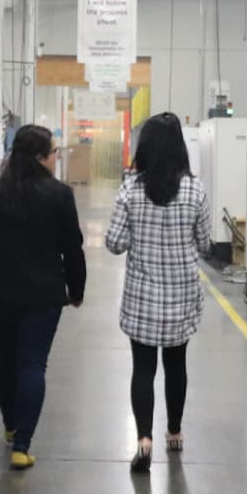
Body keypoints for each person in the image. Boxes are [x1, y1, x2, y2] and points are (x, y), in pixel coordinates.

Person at [0, 124, 87, 471]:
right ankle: (22, 446)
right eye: (55, 152)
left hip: (1, 293)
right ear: (42, 157)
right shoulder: (60, 195)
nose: (57, 157)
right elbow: (73, 249)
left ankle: (11, 425)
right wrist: (76, 291)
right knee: (33, 364)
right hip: (44, 296)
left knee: (7, 358)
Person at [104, 113, 209, 472]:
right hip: (181, 297)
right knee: (176, 366)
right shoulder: (195, 190)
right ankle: (175, 434)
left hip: (142, 299)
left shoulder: (130, 190)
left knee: (143, 369)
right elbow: (207, 243)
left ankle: (144, 441)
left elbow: (115, 243)